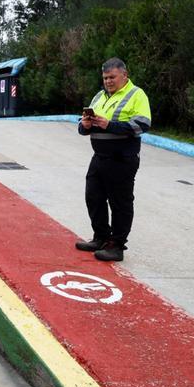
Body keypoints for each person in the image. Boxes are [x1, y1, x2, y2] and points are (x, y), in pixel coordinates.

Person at [75, 58, 151, 261]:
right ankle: (100, 237)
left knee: (120, 203)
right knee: (93, 197)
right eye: (105, 78)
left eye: (112, 77)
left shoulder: (136, 94)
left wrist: (110, 125)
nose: (108, 81)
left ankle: (117, 246)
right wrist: (85, 124)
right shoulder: (99, 96)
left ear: (124, 75)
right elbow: (82, 129)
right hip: (99, 157)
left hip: (122, 159)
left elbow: (142, 125)